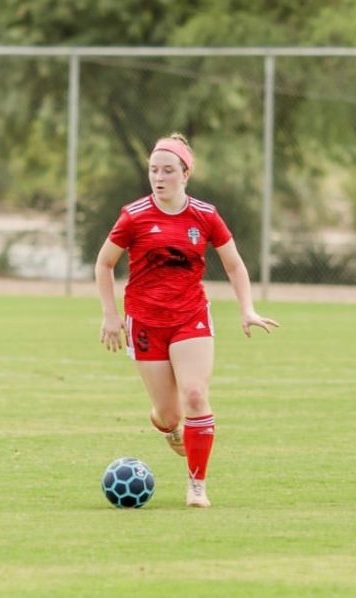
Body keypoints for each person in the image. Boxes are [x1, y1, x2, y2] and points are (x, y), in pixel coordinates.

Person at [95, 133, 279, 508]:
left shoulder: (205, 216)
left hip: (190, 317)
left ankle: (197, 486)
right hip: (145, 322)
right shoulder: (134, 216)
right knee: (167, 413)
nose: (159, 177)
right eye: (153, 170)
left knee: (195, 394)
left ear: (186, 174)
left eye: (168, 170)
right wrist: (111, 316)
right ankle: (169, 429)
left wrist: (247, 308)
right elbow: (104, 263)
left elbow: (234, 264)